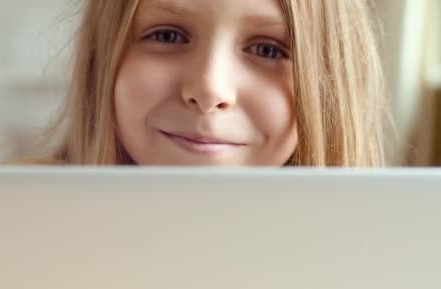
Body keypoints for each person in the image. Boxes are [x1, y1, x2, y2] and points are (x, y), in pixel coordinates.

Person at [25, 0, 389, 167]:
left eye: (267, 49)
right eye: (167, 36)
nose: (209, 90)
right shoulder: (8, 227)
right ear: (102, 59)